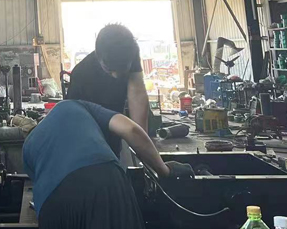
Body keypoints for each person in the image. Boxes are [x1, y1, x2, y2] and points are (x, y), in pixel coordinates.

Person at [23, 99, 192, 229]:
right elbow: (131, 129)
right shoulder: (73, 105)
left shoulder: (28, 145)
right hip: (104, 184)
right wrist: (164, 170)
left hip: (53, 205)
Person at [67, 23, 149, 152]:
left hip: (114, 120)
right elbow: (74, 120)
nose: (116, 76)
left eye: (122, 70)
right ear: (98, 57)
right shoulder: (82, 74)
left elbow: (137, 94)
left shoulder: (129, 52)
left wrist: (143, 144)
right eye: (109, 70)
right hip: (87, 131)